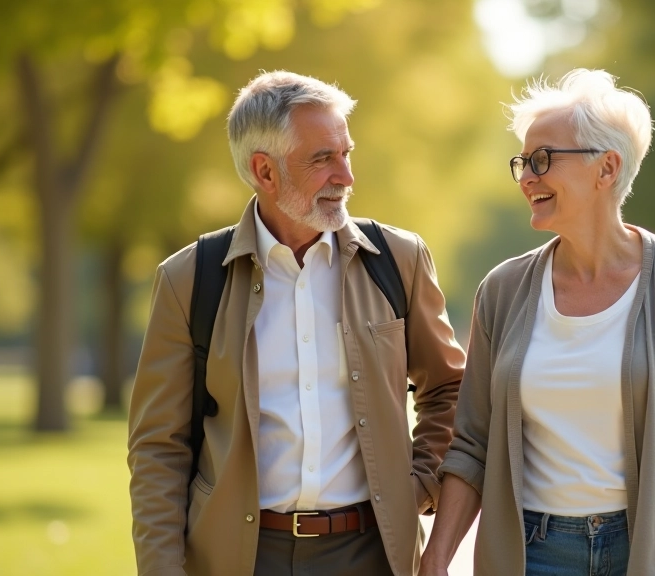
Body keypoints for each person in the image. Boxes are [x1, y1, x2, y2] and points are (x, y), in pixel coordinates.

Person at [420, 69, 655, 576]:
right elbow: (472, 445)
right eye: (522, 162)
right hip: (533, 554)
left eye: (543, 160)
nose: (526, 177)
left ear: (607, 168)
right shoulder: (502, 290)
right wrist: (436, 559)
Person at [127, 71, 466, 576]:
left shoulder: (398, 260)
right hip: (239, 558)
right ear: (265, 171)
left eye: (346, 153)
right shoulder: (188, 279)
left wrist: (417, 484)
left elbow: (449, 388)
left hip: (371, 554)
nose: (346, 176)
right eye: (323, 159)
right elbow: (158, 448)